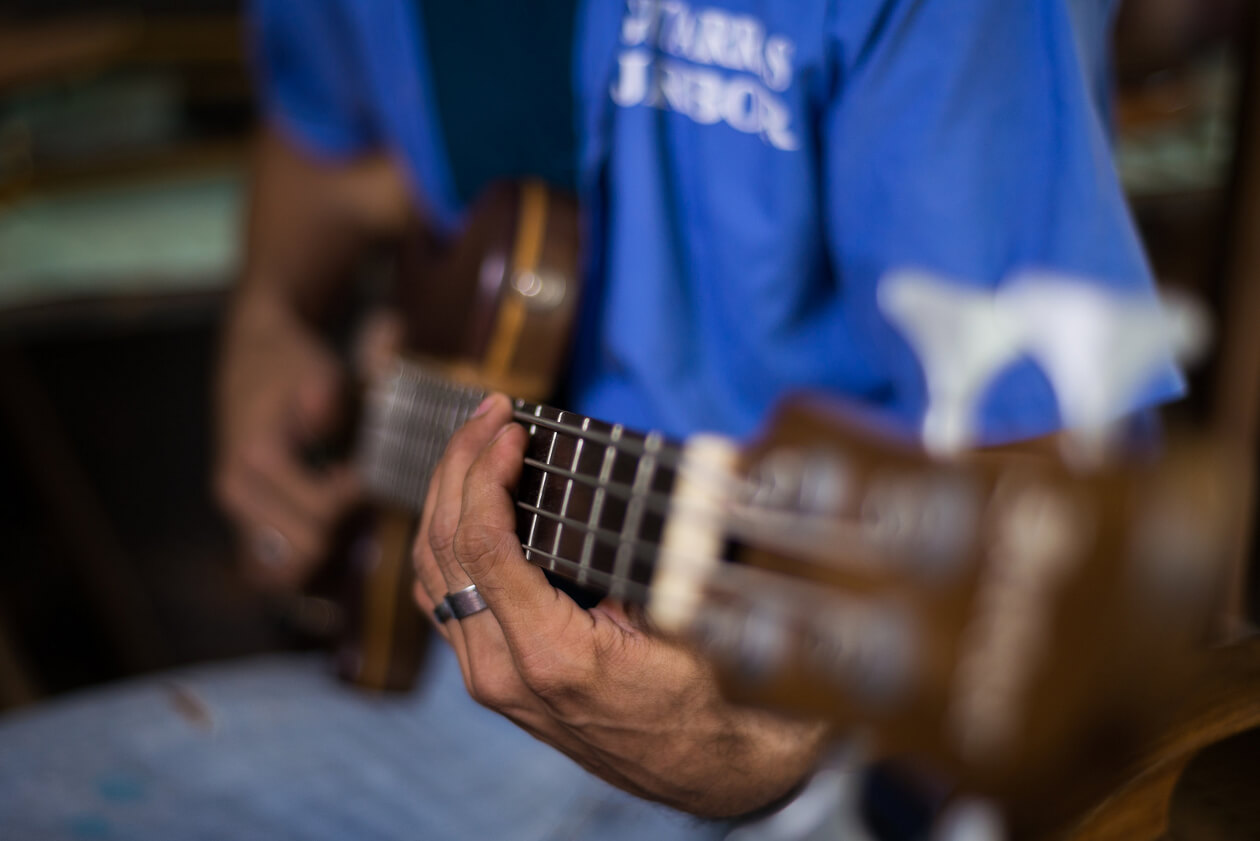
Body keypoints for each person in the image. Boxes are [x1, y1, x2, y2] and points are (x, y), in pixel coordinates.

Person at [0, 0, 1182, 838]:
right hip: (457, 668)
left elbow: (1048, 489)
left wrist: (757, 746)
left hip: (812, 723)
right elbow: (314, 130)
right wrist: (266, 324)